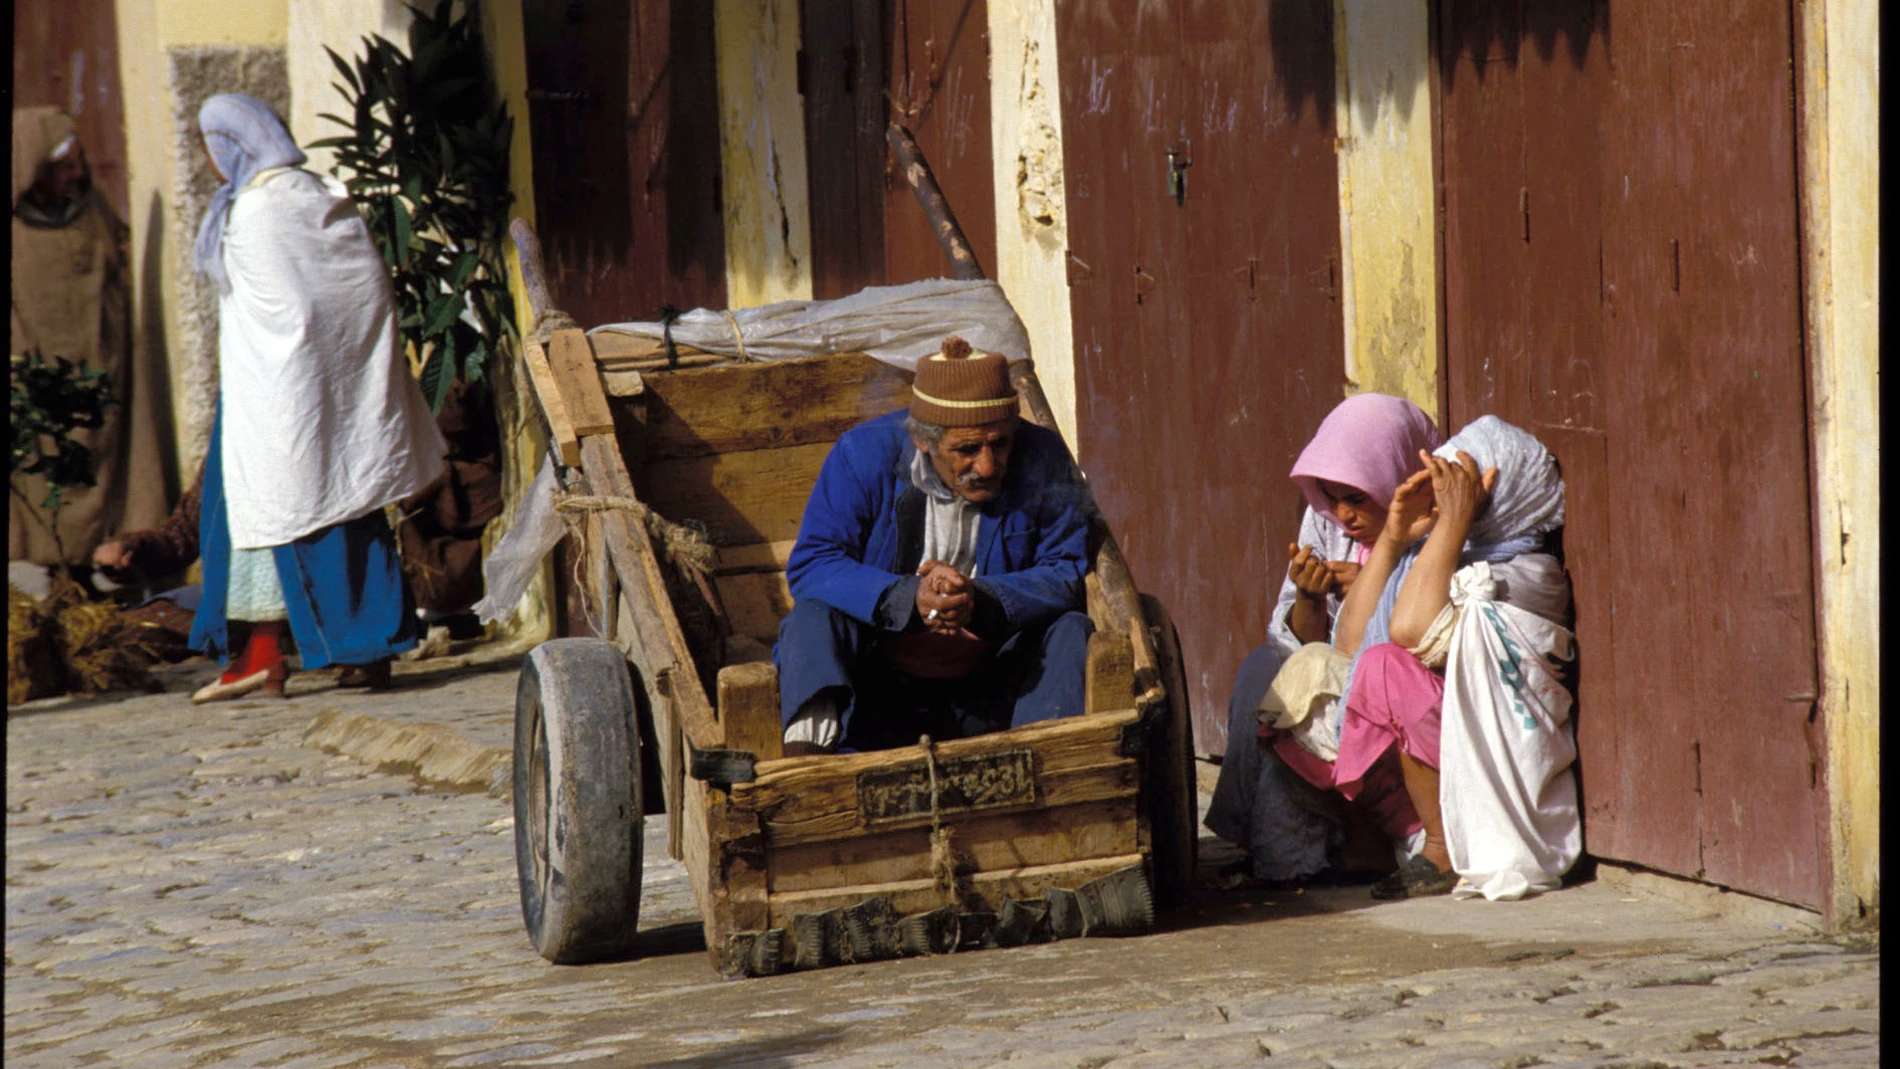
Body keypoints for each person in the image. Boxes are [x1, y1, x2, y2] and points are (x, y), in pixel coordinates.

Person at [184, 94, 445, 702]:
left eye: (213, 144)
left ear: (233, 145)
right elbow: (358, 290)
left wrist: (294, 369)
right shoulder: (320, 192)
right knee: (336, 505)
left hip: (285, 388)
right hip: (326, 380)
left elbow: (307, 306)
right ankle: (275, 652)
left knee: (305, 512)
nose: (209, 158)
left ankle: (339, 650)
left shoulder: (256, 211)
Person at [774, 338, 1093, 755]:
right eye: (966, 449)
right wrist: (906, 597)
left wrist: (981, 599)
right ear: (922, 439)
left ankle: (1055, 766)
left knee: (1070, 628)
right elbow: (813, 564)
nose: (987, 465)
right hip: (879, 688)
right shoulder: (861, 456)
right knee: (812, 618)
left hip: (995, 682)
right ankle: (809, 771)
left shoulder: (1042, 457)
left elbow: (1066, 569)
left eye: (1000, 444)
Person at [1317, 415, 1574, 899]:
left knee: (1390, 667)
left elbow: (1411, 632)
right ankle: (1416, 831)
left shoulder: (1526, 571)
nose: (1444, 497)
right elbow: (1350, 646)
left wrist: (1453, 523)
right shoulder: (1443, 557)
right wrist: (1394, 539)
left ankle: (1440, 846)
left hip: (1501, 752)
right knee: (1369, 669)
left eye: (1457, 488)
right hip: (1454, 739)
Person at [1204, 394, 1443, 886]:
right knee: (1261, 669)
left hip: (1401, 697)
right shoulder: (1329, 521)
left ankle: (1376, 836)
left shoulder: (1434, 524)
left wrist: (1377, 586)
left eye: (1358, 497)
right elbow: (1303, 645)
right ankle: (1255, 836)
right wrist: (1311, 599)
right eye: (1332, 498)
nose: (1343, 514)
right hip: (1341, 679)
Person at [10, 107, 170, 577]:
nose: (75, 173)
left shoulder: (91, 208)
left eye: (76, 162)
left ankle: (99, 565)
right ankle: (54, 572)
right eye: (62, 165)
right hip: (37, 376)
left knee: (102, 463)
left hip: (100, 368)